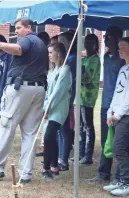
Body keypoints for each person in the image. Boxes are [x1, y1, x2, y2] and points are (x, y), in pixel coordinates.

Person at [0, 18, 48, 184]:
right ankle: (25, 173)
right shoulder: (42, 44)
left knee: (6, 126)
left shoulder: (27, 39)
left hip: (21, 87)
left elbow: (19, 49)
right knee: (30, 133)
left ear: (28, 28)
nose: (17, 31)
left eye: (19, 28)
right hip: (39, 88)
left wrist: (1, 45)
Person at [87, 26, 124, 184]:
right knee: (105, 141)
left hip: (120, 106)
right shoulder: (106, 57)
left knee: (120, 143)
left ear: (117, 39)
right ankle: (103, 174)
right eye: (104, 37)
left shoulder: (123, 59)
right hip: (106, 105)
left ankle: (120, 176)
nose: (105, 39)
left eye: (108, 37)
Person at [103, 37, 129, 197]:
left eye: (124, 46)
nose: (120, 50)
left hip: (126, 115)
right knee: (121, 147)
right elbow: (117, 93)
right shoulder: (123, 69)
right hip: (118, 113)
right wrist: (110, 111)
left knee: (118, 147)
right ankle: (121, 179)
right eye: (119, 47)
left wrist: (118, 114)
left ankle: (126, 181)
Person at [42, 42, 72, 179]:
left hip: (59, 108)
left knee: (48, 136)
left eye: (50, 52)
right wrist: (45, 107)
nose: (48, 55)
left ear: (58, 53)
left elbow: (58, 92)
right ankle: (53, 166)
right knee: (50, 138)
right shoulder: (52, 70)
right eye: (48, 53)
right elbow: (48, 92)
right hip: (49, 107)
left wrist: (48, 108)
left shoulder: (65, 70)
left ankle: (46, 167)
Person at [79, 34, 101, 165]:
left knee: (88, 127)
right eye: (86, 42)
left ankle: (88, 156)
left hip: (88, 98)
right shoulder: (85, 59)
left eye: (90, 43)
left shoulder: (94, 60)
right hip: (80, 97)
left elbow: (86, 78)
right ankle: (80, 153)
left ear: (95, 45)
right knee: (80, 127)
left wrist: (79, 71)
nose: (87, 45)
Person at [57, 31, 77, 166]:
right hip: (62, 96)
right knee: (60, 129)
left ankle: (63, 159)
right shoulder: (68, 57)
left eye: (62, 42)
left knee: (65, 129)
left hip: (67, 96)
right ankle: (60, 157)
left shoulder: (72, 59)